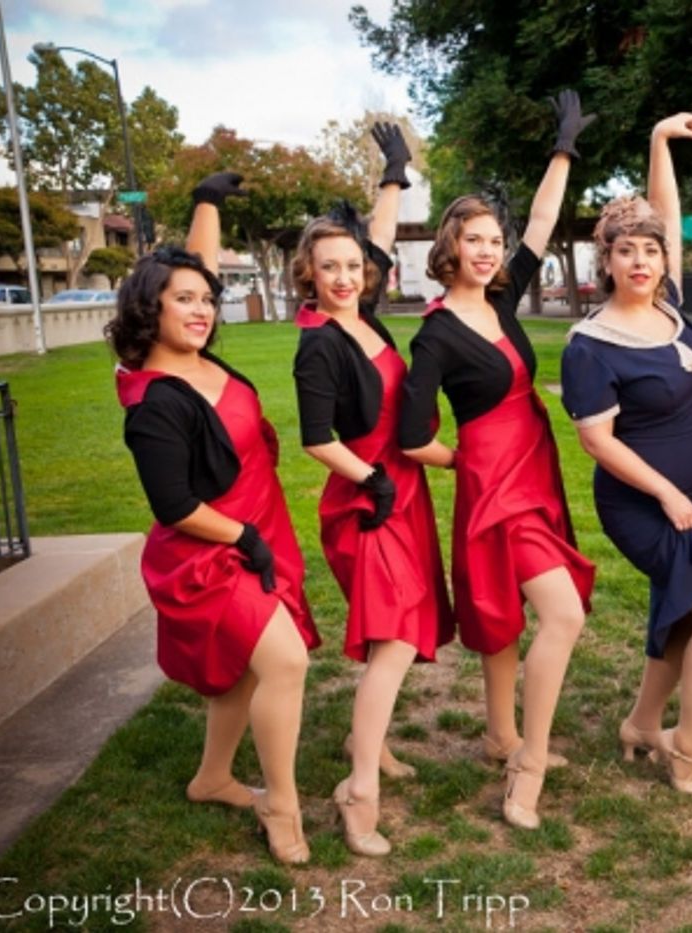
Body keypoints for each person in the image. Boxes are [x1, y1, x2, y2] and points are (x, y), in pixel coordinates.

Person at [398, 91, 596, 829]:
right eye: (473, 240)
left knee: (511, 616)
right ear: (447, 249)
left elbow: (542, 223)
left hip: (535, 473)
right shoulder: (436, 335)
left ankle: (499, 732)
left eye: (492, 240)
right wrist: (469, 460)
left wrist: (564, 146)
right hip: (496, 486)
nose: (486, 250)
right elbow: (412, 436)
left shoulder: (504, 301)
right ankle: (528, 760)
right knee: (562, 614)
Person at [108, 172, 318, 864]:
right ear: (149, 309)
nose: (201, 311)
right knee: (283, 660)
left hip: (259, 528)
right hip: (209, 549)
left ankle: (213, 776)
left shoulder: (201, 358)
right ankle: (282, 808)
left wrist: (207, 204)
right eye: (183, 302)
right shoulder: (153, 398)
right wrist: (246, 538)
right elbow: (174, 506)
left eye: (207, 300)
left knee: (248, 670)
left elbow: (188, 272)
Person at [560, 112, 692, 796]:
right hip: (643, 503)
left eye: (650, 250)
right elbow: (596, 439)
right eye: (625, 251)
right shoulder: (591, 342)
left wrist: (659, 143)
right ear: (605, 261)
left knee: (683, 608)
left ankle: (643, 723)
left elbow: (662, 213)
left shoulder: (667, 306)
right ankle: (687, 751)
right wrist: (667, 494)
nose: (640, 260)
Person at [290, 124, 454, 855]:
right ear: (310, 275)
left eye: (353, 265)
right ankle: (359, 790)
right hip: (367, 501)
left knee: (403, 631)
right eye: (330, 268)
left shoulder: (368, 322)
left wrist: (395, 172)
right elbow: (316, 437)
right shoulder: (319, 343)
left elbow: (377, 238)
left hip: (405, 492)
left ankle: (373, 740)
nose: (346, 276)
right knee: (391, 642)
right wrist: (374, 479)